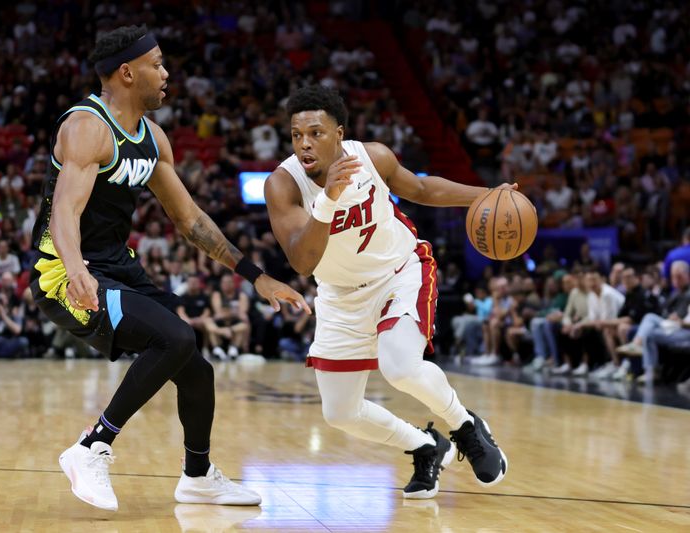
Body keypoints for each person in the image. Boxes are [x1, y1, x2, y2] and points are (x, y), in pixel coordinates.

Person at [29, 26, 309, 512]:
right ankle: (92, 446)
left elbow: (191, 220)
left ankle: (198, 477)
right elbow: (64, 213)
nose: (166, 74)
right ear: (126, 71)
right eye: (157, 64)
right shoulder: (86, 126)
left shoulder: (153, 138)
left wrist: (255, 275)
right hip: (64, 275)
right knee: (176, 338)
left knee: (196, 367)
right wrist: (76, 270)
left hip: (118, 267)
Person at [264, 85, 510, 500]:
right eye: (296, 135)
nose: (305, 144)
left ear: (339, 133)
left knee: (400, 366)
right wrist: (328, 201)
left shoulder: (372, 157)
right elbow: (303, 262)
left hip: (398, 274)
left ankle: (465, 426)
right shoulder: (282, 186)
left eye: (315, 133)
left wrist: (486, 195)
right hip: (340, 296)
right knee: (340, 413)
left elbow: (422, 190)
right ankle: (425, 446)